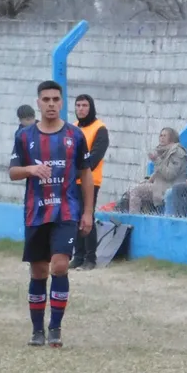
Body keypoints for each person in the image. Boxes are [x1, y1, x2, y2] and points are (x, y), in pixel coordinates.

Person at [8, 80, 95, 348]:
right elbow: (13, 172)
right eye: (46, 100)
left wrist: (88, 212)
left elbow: (86, 173)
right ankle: (37, 331)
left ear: (61, 103)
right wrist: (30, 170)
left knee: (59, 265)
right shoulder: (24, 136)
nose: (51, 104)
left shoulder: (74, 136)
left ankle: (55, 327)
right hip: (36, 212)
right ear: (38, 103)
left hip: (66, 211)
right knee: (38, 271)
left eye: (56, 100)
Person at [70, 94, 109, 270]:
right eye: (78, 105)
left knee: (87, 216)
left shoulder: (100, 128)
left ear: (90, 107)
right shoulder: (73, 128)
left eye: (84, 105)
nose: (81, 109)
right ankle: (78, 256)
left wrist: (76, 172)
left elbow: (95, 157)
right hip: (72, 180)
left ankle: (90, 258)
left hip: (91, 180)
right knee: (74, 217)